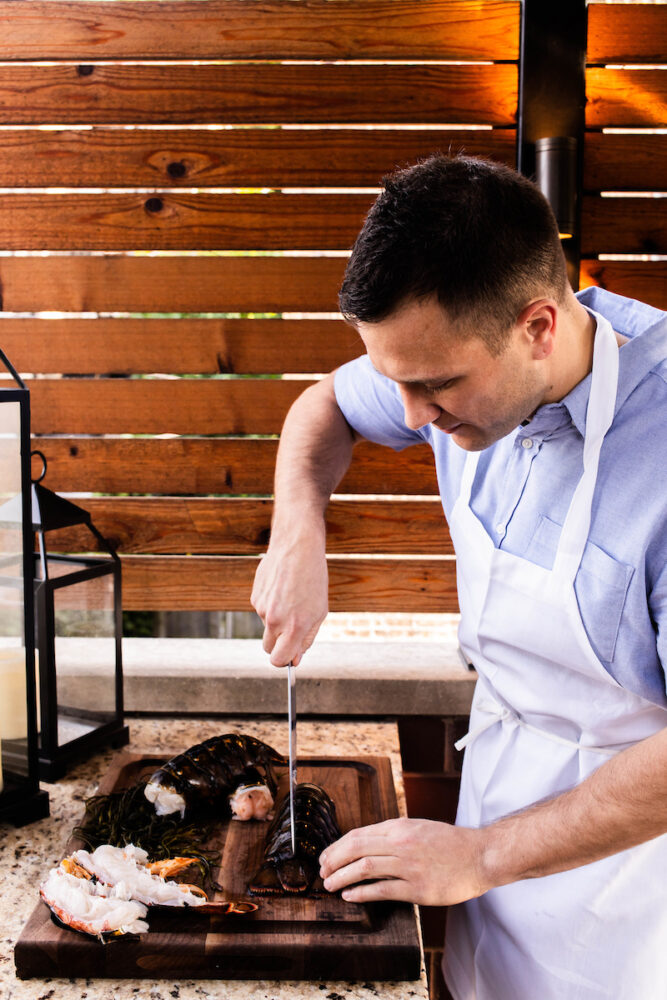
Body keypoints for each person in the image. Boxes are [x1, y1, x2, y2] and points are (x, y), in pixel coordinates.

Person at [251, 154, 667, 999]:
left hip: (637, 889)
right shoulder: (451, 348)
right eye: (397, 381)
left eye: (435, 386)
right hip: (493, 825)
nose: (409, 419)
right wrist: (297, 529)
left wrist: (482, 853)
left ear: (538, 326)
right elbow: (322, 408)